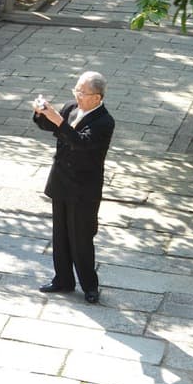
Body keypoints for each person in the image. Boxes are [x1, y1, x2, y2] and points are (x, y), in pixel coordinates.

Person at [33, 71, 116, 305]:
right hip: (61, 181)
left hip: (83, 189)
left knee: (81, 238)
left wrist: (58, 121)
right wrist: (41, 112)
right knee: (60, 236)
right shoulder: (70, 108)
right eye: (76, 90)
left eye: (82, 92)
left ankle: (90, 286)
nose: (77, 95)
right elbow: (51, 127)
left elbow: (81, 143)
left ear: (97, 97)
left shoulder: (104, 121)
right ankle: (63, 279)